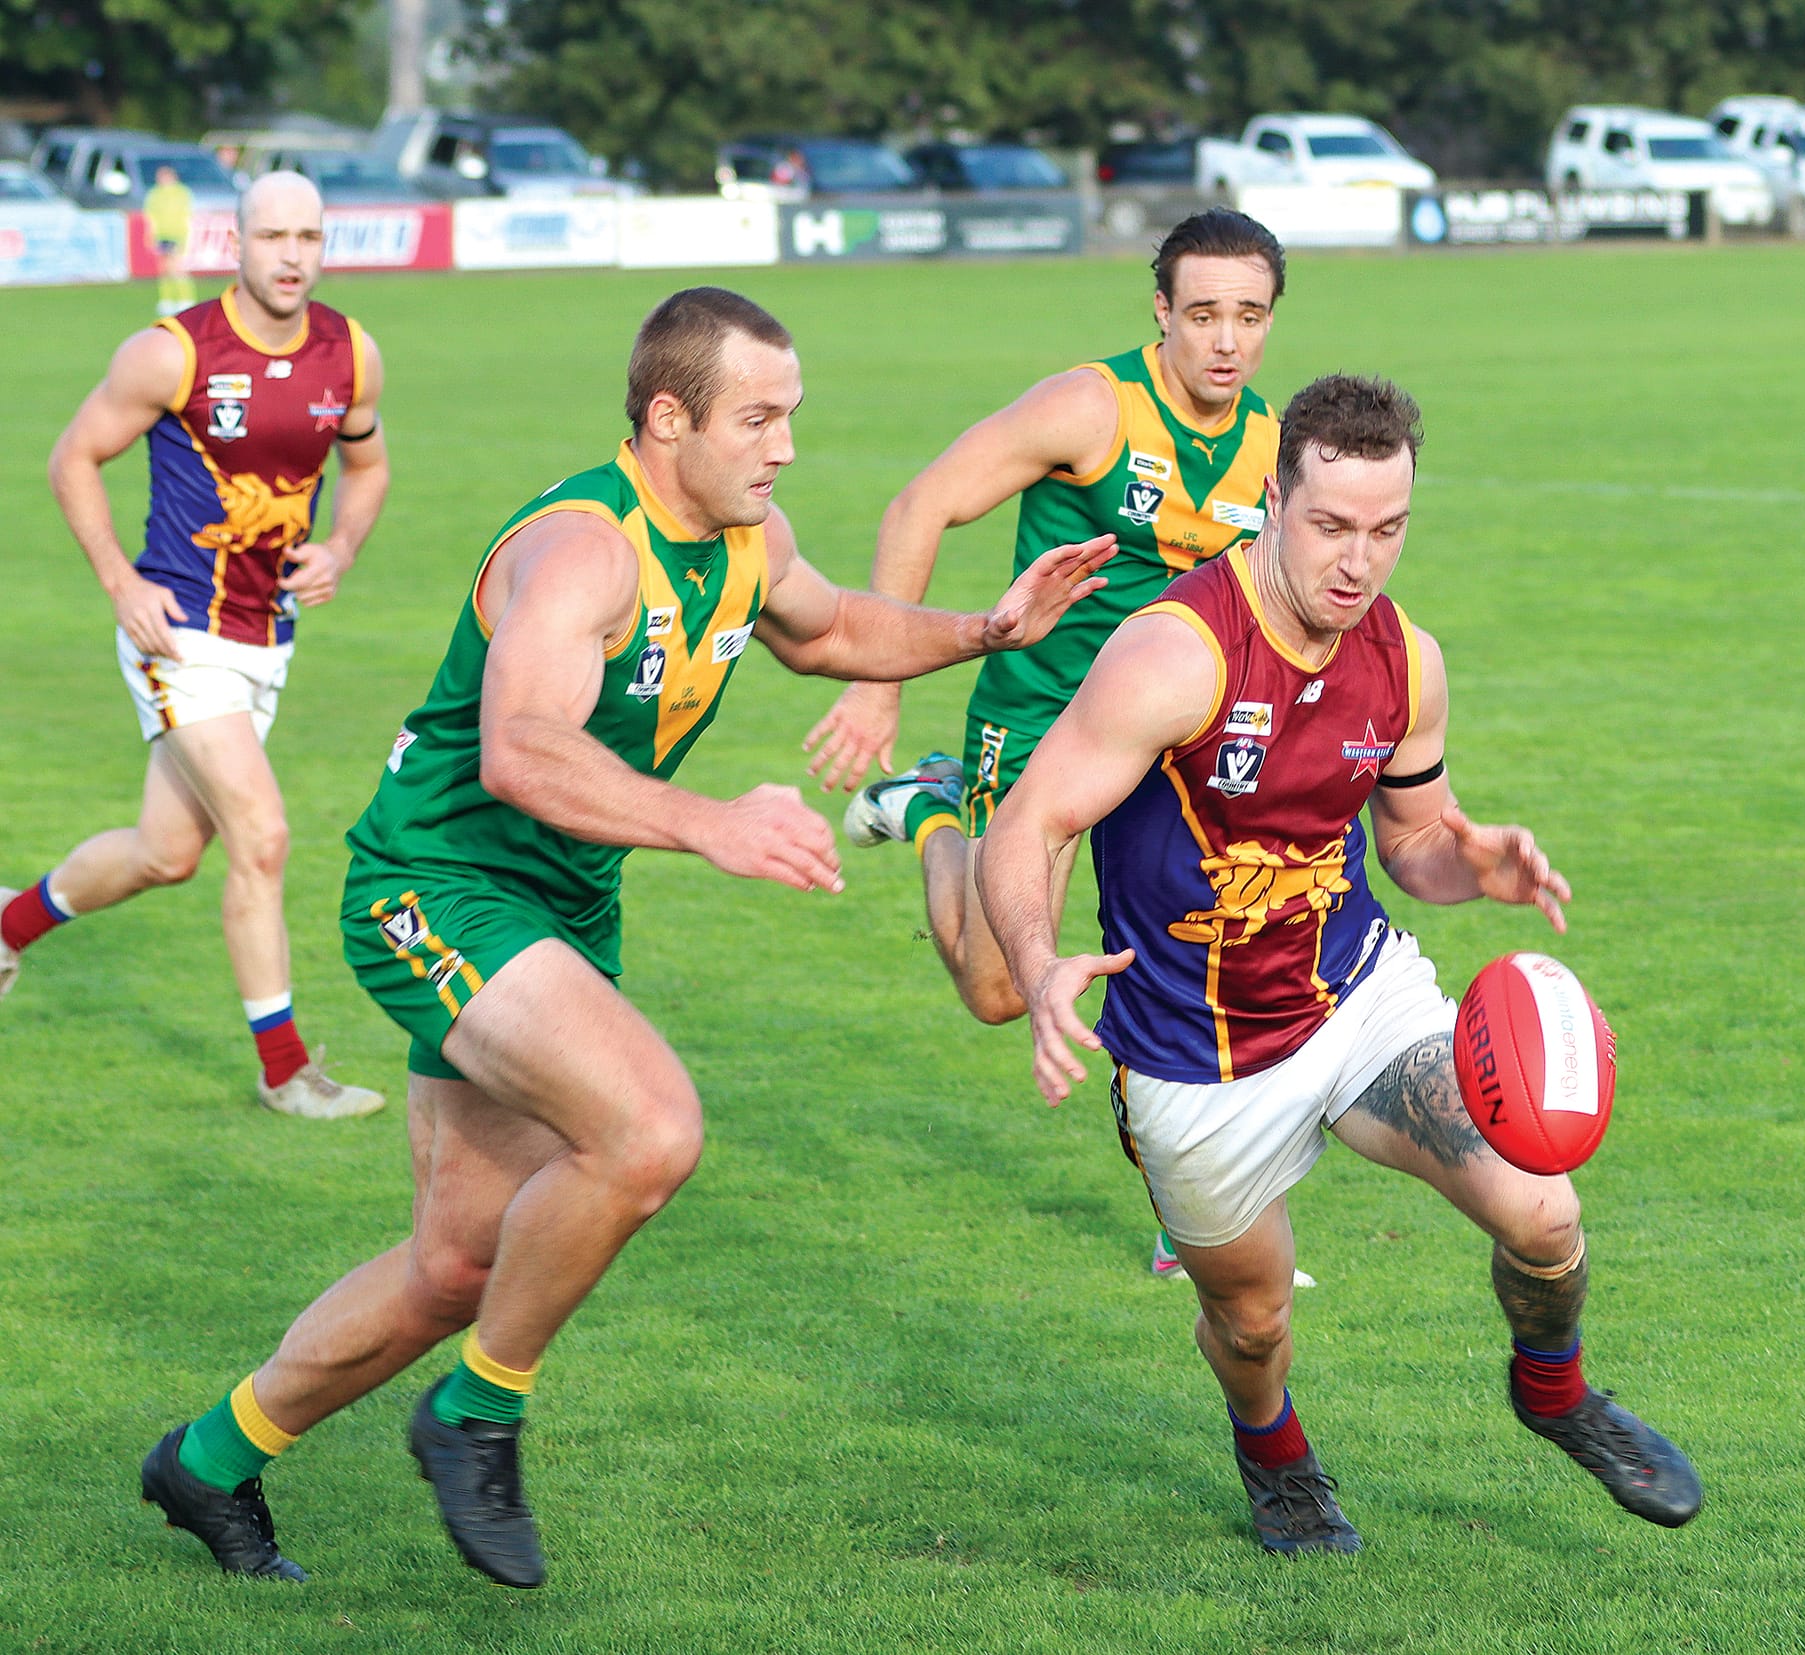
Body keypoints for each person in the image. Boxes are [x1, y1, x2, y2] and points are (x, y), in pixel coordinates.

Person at [136, 286, 1117, 1589]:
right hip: (438, 883)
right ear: (669, 418)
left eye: (791, 417)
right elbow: (520, 745)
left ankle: (206, 1458)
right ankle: (478, 1412)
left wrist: (987, 629)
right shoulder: (583, 548)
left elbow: (830, 628)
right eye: (759, 419)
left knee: (459, 1259)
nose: (783, 447)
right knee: (652, 1126)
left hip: (556, 905)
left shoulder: (744, 537)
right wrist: (708, 821)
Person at [977, 373, 1702, 1554]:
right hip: (1194, 1058)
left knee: (1541, 1206)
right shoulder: (1174, 654)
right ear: (1271, 502)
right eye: (1328, 526)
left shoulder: (1405, 660)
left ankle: (1555, 1390)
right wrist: (1036, 957)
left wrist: (1478, 866)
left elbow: (1413, 840)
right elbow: (1034, 821)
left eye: (1385, 528)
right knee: (1252, 1321)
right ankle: (1273, 1452)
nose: (1357, 561)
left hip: (1356, 998)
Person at [807, 207, 1285, 1281]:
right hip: (1033, 726)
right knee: (998, 990)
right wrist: (878, 689)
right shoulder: (1089, 406)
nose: (1224, 339)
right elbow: (919, 503)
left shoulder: (1269, 447)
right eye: (1201, 312)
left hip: (1166, 742)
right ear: (1159, 311)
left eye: (1247, 316)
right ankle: (931, 805)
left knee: (1208, 952)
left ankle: (1192, 1215)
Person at [2, 172, 388, 1119]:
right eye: (273, 236)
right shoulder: (172, 352)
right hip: (177, 632)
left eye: (308, 236)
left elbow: (368, 464)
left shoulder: (352, 352)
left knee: (165, 852)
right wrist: (119, 582)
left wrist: (340, 544)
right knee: (262, 834)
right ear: (238, 243)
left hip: (268, 638)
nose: (292, 255)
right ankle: (287, 1072)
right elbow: (72, 458)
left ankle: (7, 923)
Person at [142, 163, 197, 318]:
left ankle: (186, 299)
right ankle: (167, 300)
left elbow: (188, 215)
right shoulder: (154, 193)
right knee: (163, 268)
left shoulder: (181, 193)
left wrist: (186, 237)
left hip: (177, 234)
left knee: (177, 267)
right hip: (162, 235)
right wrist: (150, 235)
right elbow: (151, 217)